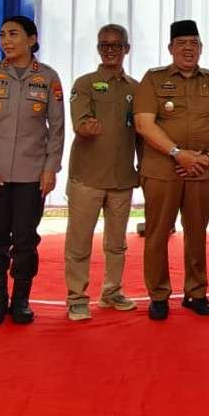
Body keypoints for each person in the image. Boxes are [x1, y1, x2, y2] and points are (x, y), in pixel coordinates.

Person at [133, 20, 209, 321]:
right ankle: (159, 295)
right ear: (170, 48)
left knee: (197, 233)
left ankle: (196, 292)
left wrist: (207, 156)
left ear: (201, 48)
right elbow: (143, 124)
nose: (188, 49)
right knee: (157, 233)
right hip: (162, 170)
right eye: (181, 43)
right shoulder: (153, 79)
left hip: (203, 170)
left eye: (194, 43)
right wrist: (178, 154)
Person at [0, 15, 65, 326]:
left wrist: (50, 168)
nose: (6, 41)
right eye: (2, 35)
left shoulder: (48, 77)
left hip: (32, 175)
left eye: (13, 34)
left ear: (32, 39)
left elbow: (57, 128)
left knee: (25, 239)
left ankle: (21, 299)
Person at [64, 25, 140, 322]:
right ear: (98, 49)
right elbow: (79, 122)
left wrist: (144, 169)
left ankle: (112, 292)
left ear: (126, 49)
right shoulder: (85, 84)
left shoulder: (137, 89)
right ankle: (76, 298)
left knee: (117, 244)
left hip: (122, 179)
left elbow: (142, 133)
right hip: (87, 179)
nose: (110, 50)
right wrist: (86, 127)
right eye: (104, 45)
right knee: (79, 243)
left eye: (116, 45)